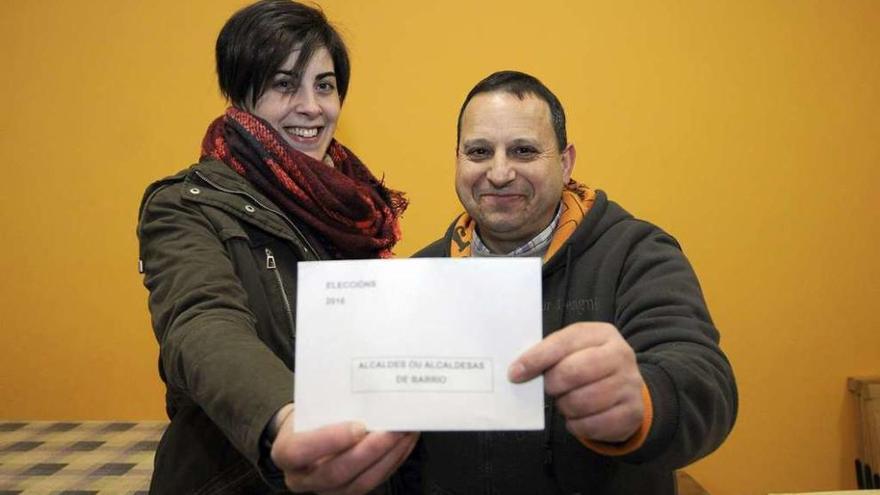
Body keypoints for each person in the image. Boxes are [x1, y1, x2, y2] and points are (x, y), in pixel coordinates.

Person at [408, 70, 738, 494]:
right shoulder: (421, 274)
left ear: (565, 163)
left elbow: (705, 379)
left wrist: (641, 401)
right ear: (457, 159)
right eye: (479, 152)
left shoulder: (636, 253)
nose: (500, 172)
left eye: (524, 151)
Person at [136, 1, 416, 493]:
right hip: (239, 477)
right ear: (240, 93)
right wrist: (283, 419)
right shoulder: (184, 205)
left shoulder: (353, 205)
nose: (311, 106)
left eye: (324, 85)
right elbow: (201, 320)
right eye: (284, 84)